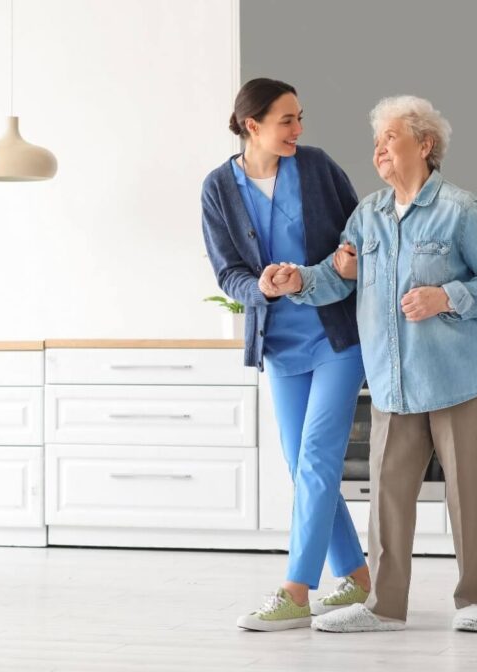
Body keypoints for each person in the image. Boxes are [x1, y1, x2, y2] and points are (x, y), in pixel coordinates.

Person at [272, 95, 477, 633]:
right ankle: (385, 607)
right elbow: (338, 275)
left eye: (390, 137)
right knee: (387, 497)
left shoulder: (460, 209)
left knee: (469, 495)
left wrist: (446, 296)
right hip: (393, 381)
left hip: (465, 379)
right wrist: (298, 281)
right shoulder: (369, 215)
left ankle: (472, 603)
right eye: (376, 141)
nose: (379, 149)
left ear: (425, 144)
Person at [201, 78, 371, 631]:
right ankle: (358, 578)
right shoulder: (218, 187)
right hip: (279, 343)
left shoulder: (317, 166)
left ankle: (295, 591)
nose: (299, 129)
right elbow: (228, 271)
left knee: (317, 458)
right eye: (287, 120)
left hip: (338, 337)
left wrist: (344, 260)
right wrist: (261, 287)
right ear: (252, 126)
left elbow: (360, 232)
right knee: (302, 467)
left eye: (300, 117)